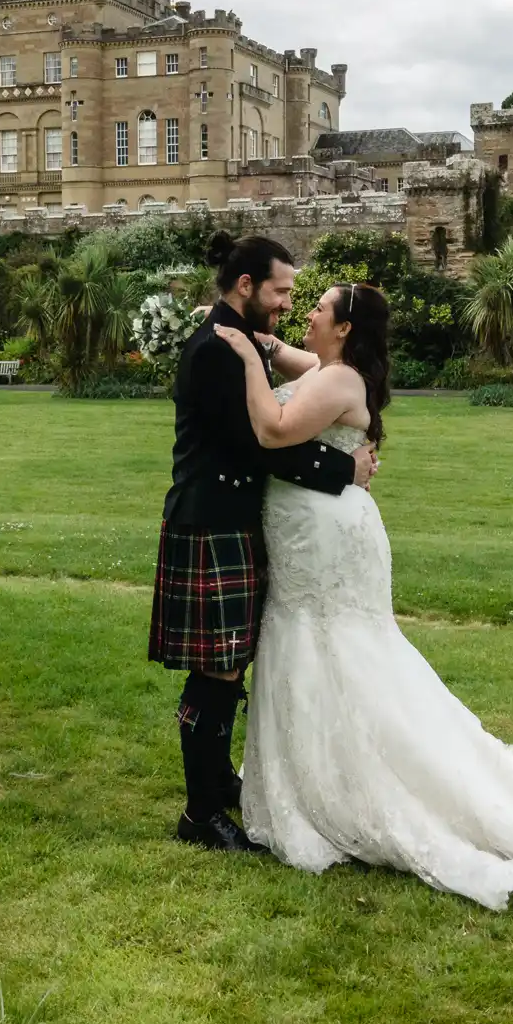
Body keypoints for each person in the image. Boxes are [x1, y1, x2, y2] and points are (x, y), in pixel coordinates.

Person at [211, 282, 513, 909]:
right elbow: (287, 355)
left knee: (338, 649)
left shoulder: (339, 381)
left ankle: (356, 788)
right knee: (317, 644)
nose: (307, 311)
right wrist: (252, 337)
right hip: (312, 531)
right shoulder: (329, 368)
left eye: (319, 307)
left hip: (323, 540)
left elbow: (274, 427)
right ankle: (316, 779)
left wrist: (234, 348)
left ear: (343, 328)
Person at [150, 233, 378, 852]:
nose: (286, 303)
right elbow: (260, 444)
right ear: (246, 286)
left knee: (228, 665)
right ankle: (200, 816)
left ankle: (218, 783)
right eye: (280, 292)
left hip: (228, 520)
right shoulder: (221, 348)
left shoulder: (238, 337)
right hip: (212, 522)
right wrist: (342, 470)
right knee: (216, 670)